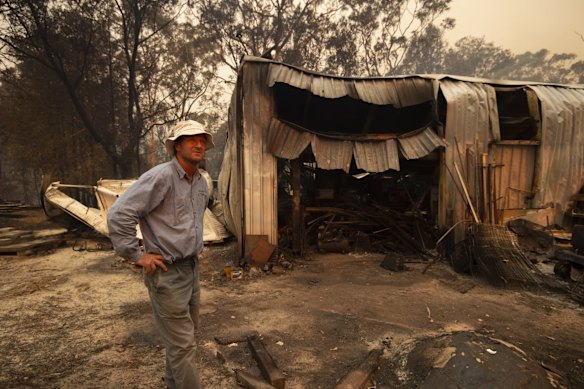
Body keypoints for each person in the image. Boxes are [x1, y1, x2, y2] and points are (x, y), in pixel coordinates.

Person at [107, 120, 214, 389]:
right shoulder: (161, 177)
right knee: (183, 345)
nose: (198, 144)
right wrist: (136, 254)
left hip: (191, 269)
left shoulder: (201, 183)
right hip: (167, 274)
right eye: (191, 139)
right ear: (177, 146)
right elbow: (119, 214)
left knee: (181, 341)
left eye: (202, 139)